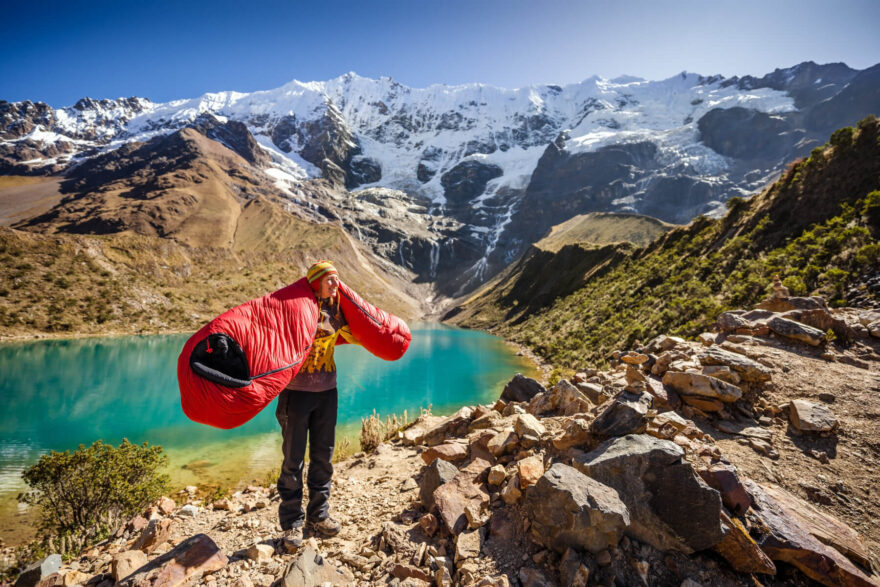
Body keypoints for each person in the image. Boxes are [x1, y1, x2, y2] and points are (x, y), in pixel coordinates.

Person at [277, 260, 357, 551]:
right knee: (293, 460)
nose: (335, 285)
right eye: (329, 280)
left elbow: (360, 331)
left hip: (327, 393)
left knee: (323, 457)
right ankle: (292, 524)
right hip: (295, 394)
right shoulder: (295, 310)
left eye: (337, 280)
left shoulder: (337, 311)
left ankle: (318, 516)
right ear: (315, 282)